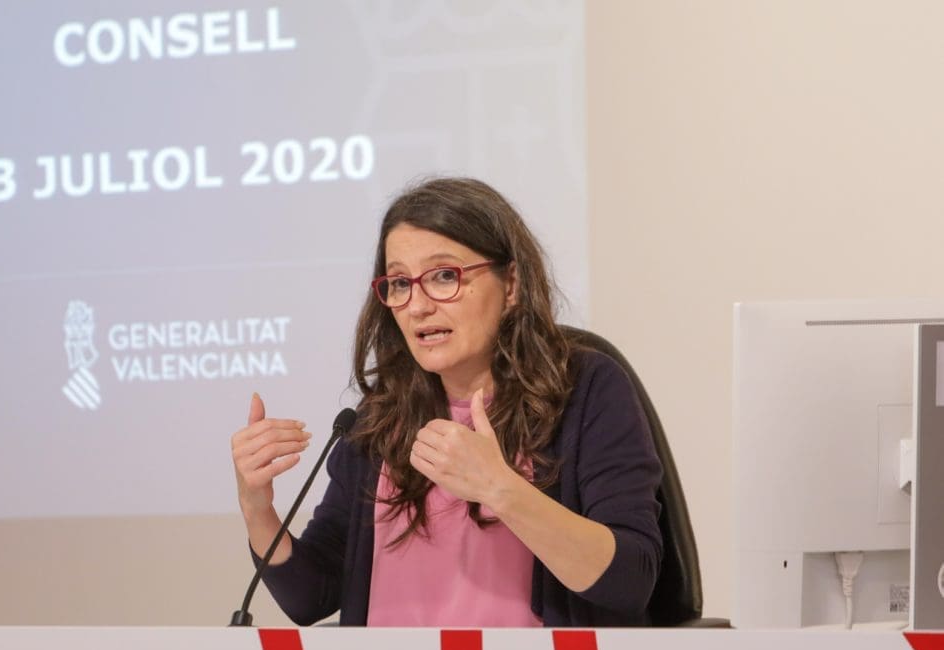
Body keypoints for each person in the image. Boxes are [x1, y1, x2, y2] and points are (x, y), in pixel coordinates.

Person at [231, 177, 662, 626]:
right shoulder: (383, 418)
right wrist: (257, 509)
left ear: (511, 285)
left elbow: (630, 581)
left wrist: (502, 490)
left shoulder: (584, 390)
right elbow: (311, 596)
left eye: (444, 276)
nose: (417, 306)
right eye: (400, 283)